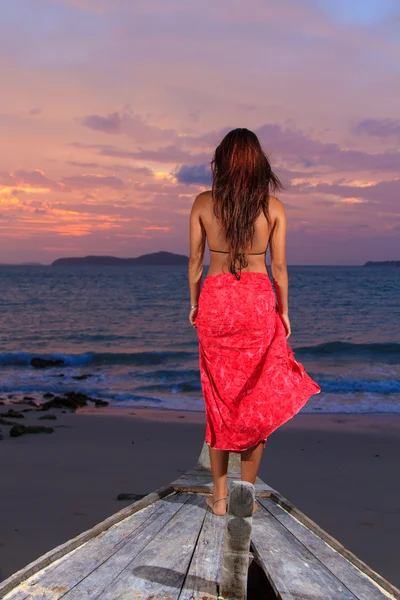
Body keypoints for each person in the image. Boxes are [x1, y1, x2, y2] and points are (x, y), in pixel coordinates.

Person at [188, 128, 321, 516]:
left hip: (216, 299)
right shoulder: (273, 208)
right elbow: (278, 267)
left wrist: (195, 303)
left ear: (223, 162)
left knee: (219, 398)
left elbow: (196, 262)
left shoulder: (202, 202)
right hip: (258, 302)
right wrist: (283, 310)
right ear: (257, 162)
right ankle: (246, 490)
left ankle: (220, 495)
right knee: (256, 400)